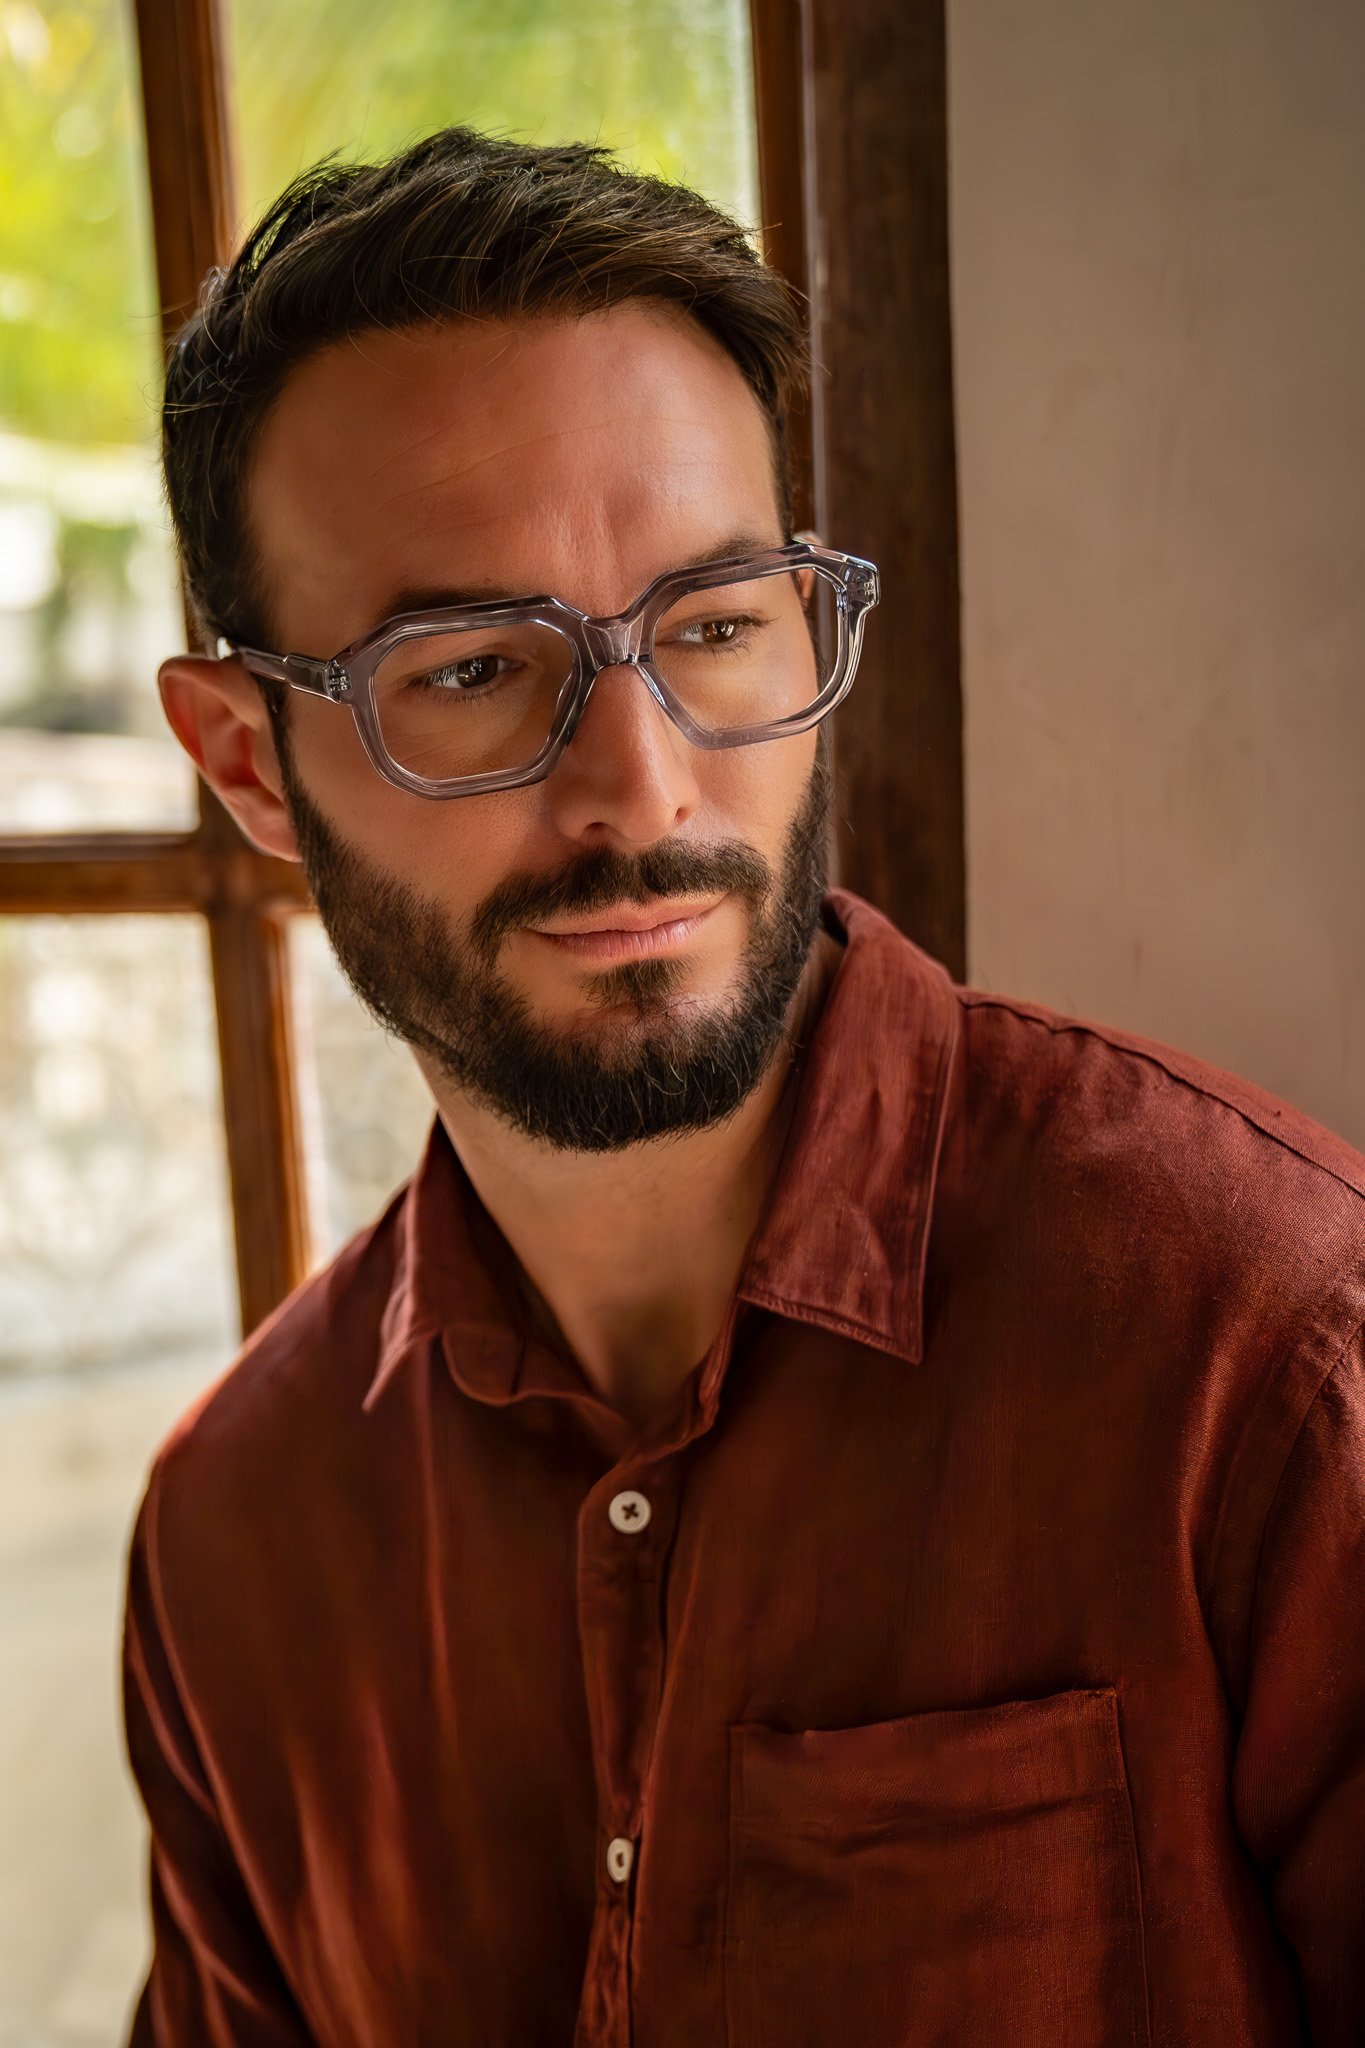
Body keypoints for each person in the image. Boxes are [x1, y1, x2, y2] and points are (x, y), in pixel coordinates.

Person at [123, 126, 1364, 2047]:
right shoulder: (237, 1546)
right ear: (247, 765)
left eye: (710, 630)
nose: (641, 781)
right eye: (468, 671)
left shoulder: (1263, 1354)